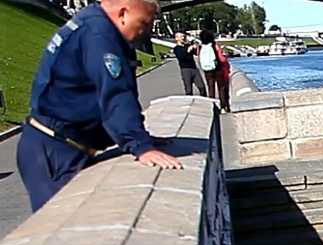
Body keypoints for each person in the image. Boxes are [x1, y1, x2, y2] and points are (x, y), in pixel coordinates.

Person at [17, 0, 182, 213]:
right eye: (144, 23)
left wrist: (140, 136)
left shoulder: (94, 23)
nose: (147, 32)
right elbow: (115, 92)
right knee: (63, 229)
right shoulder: (99, 36)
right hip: (55, 151)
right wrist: (140, 146)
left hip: (63, 145)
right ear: (123, 13)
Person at [197, 30, 231, 113]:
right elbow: (221, 59)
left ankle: (212, 107)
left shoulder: (200, 47)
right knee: (221, 88)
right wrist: (225, 58)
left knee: (211, 88)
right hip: (217, 69)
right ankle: (223, 107)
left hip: (207, 70)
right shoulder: (215, 46)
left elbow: (199, 58)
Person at [172, 31, 205, 97]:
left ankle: (205, 100)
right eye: (181, 37)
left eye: (183, 36)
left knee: (202, 87)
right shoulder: (177, 49)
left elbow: (196, 53)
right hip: (185, 70)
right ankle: (189, 103)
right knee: (188, 89)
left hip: (194, 69)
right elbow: (182, 58)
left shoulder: (187, 46)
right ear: (176, 38)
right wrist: (188, 51)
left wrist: (196, 47)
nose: (183, 38)